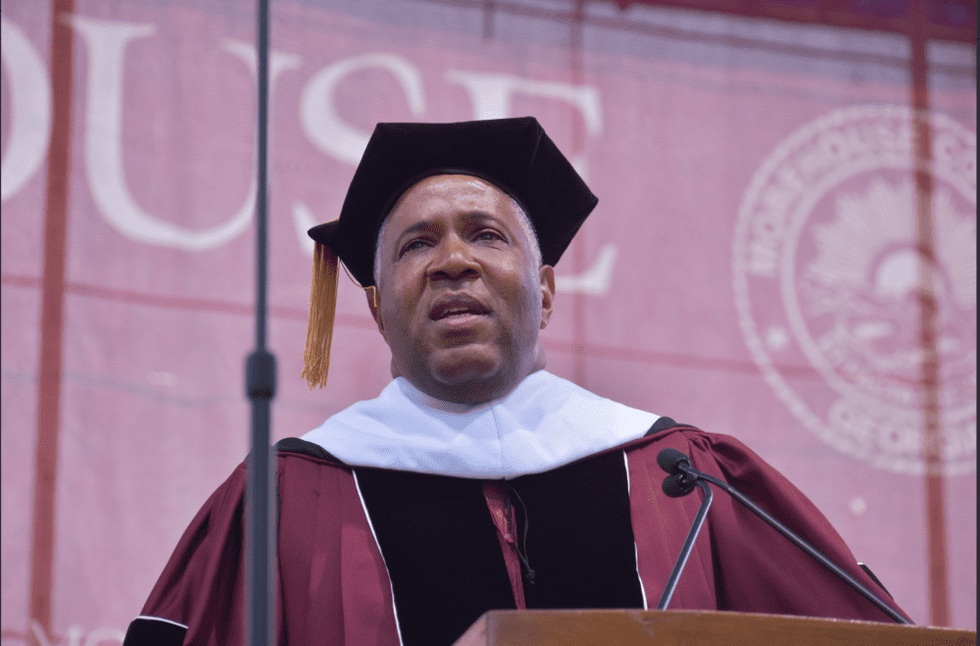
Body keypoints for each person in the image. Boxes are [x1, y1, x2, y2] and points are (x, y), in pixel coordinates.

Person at [122, 117, 909, 646]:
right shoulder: (284, 499)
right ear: (373, 305)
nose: (452, 260)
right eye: (414, 245)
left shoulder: (688, 480)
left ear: (548, 288)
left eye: (487, 235)